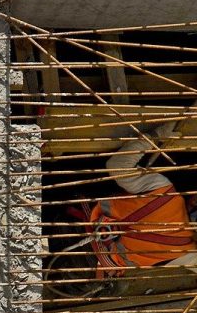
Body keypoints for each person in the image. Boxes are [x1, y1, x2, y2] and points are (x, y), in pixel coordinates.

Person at [49, 123, 197, 296]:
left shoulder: (164, 191)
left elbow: (117, 164)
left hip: (66, 226)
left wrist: (154, 136)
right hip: (83, 276)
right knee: (119, 287)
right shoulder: (185, 252)